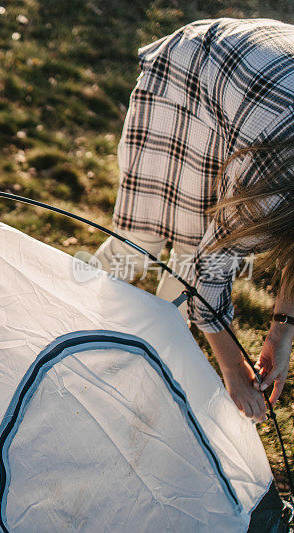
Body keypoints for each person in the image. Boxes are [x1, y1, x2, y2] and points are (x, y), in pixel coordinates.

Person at [94, 18, 294, 421]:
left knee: (189, 254)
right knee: (137, 248)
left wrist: (282, 329)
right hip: (192, 71)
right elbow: (212, 270)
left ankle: (140, 363)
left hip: (248, 106)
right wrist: (233, 369)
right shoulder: (273, 186)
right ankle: (64, 319)